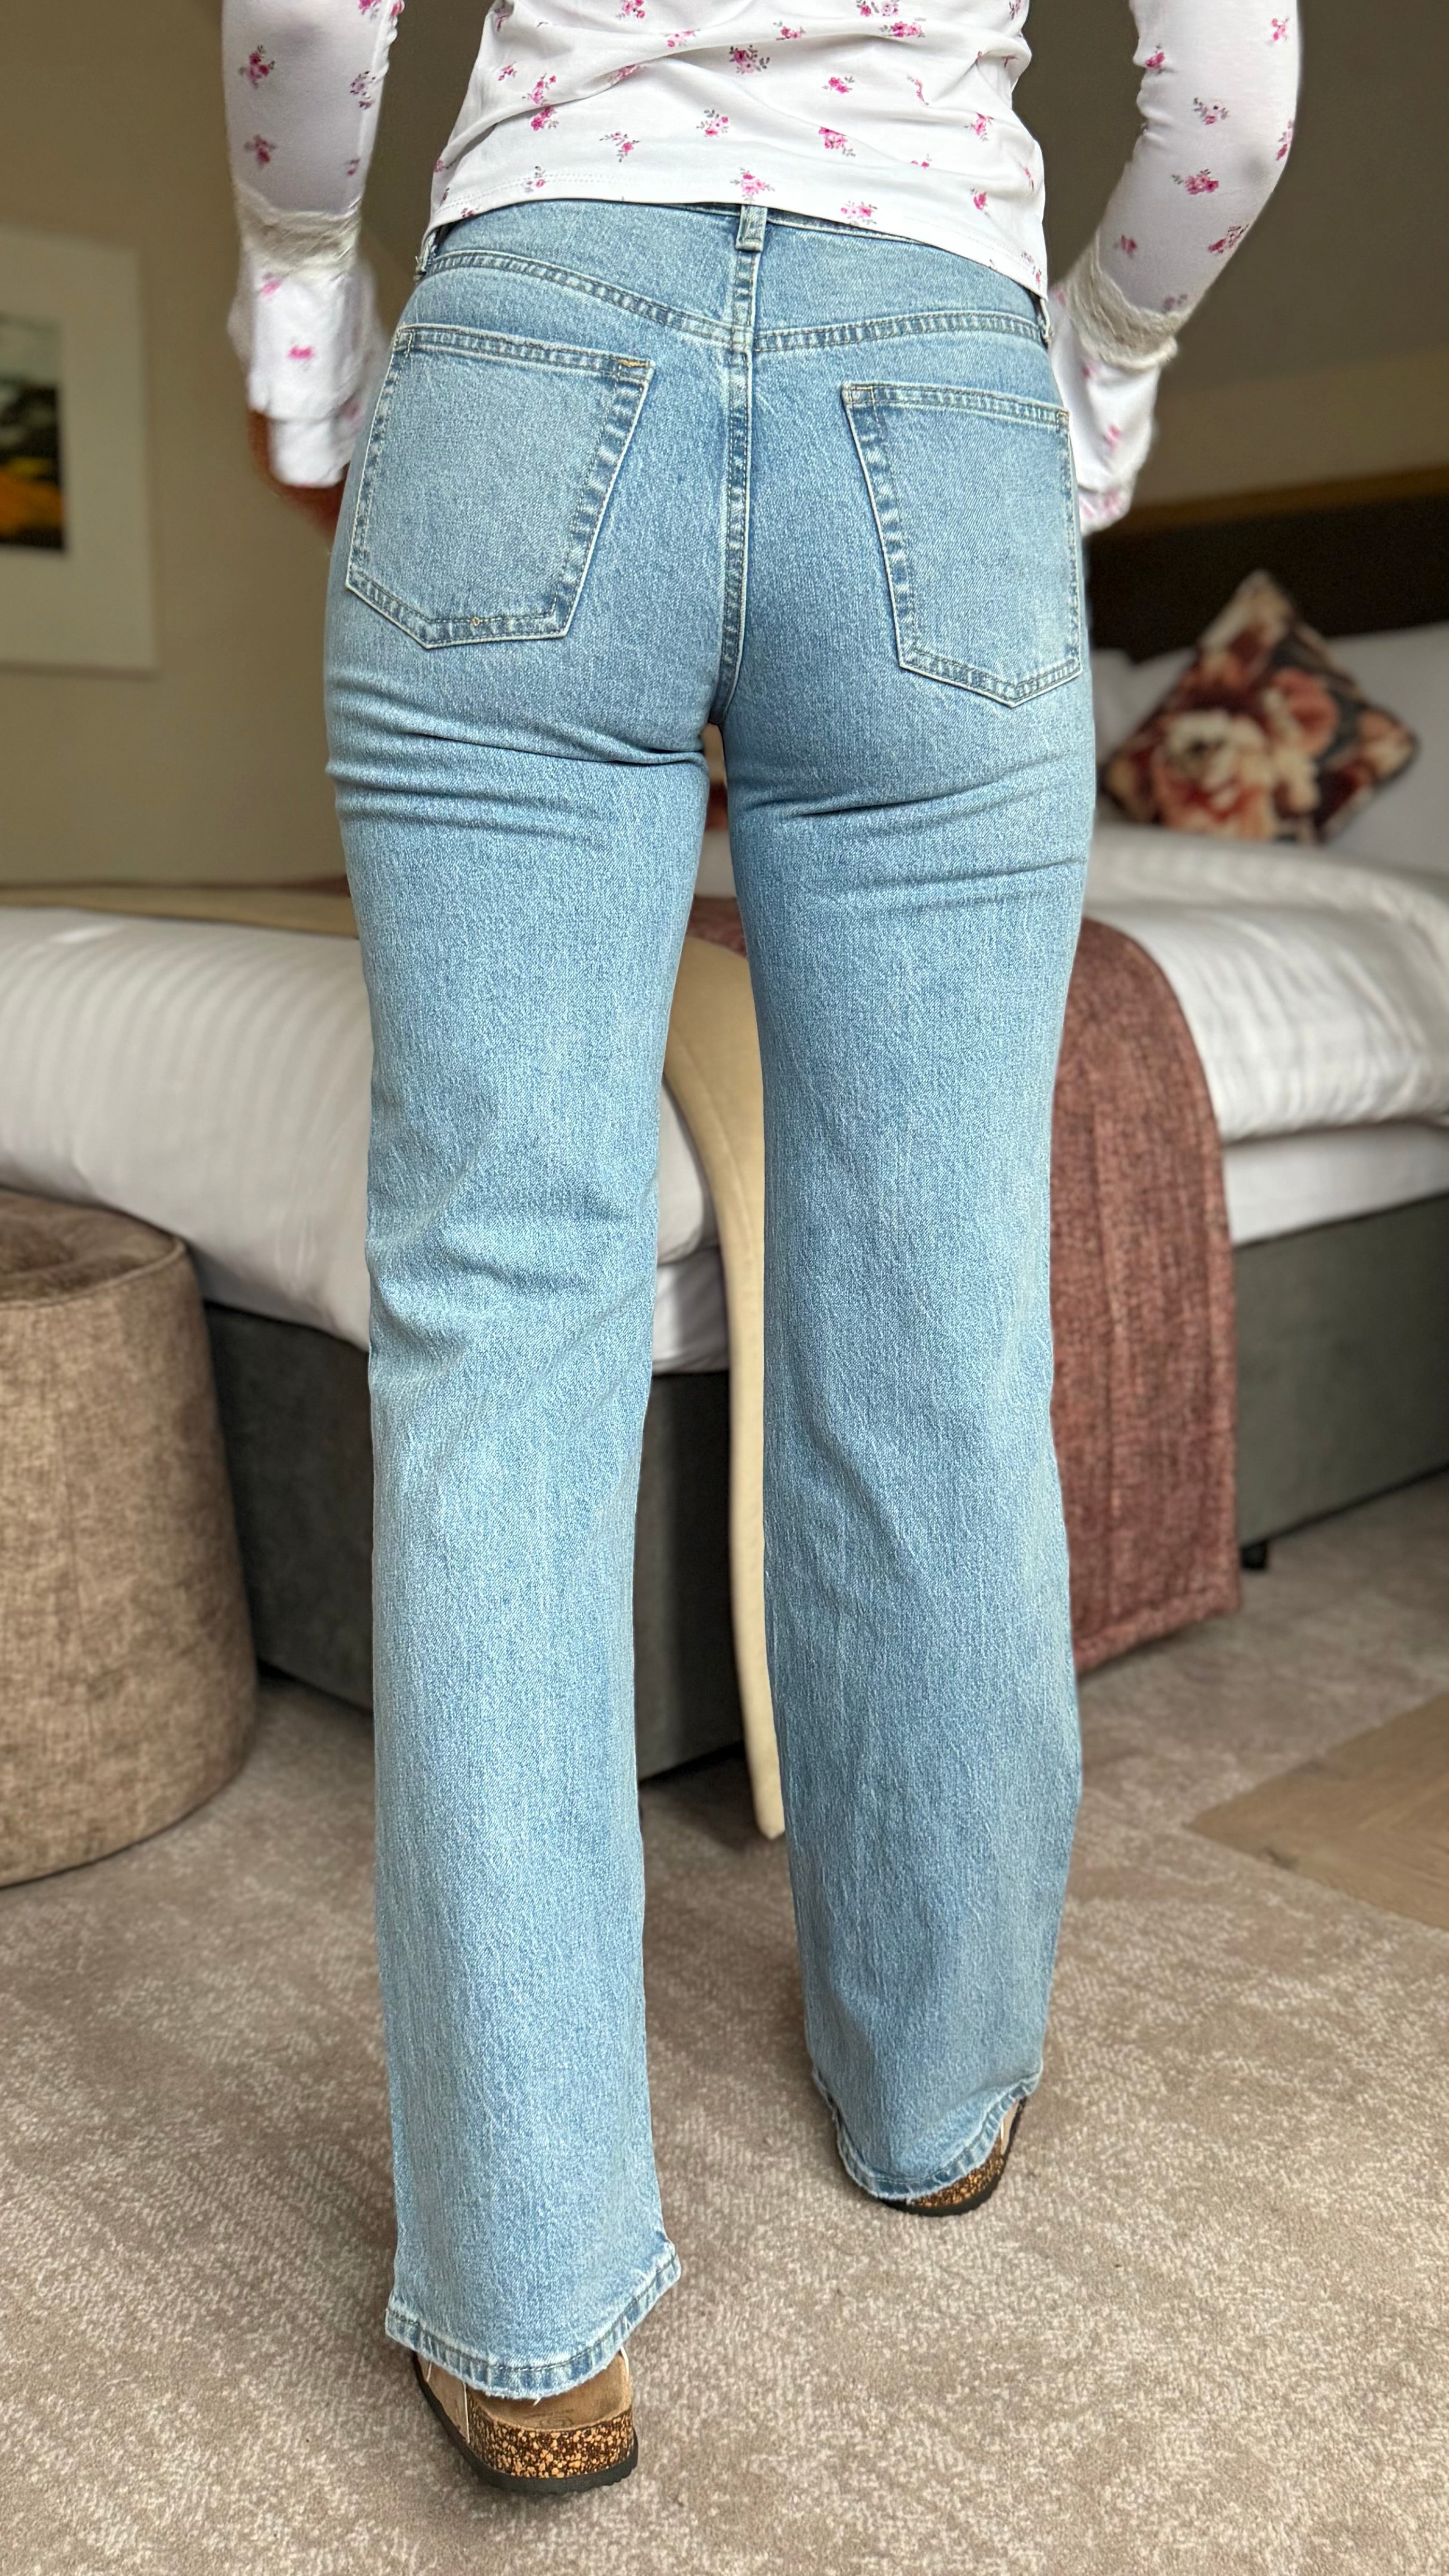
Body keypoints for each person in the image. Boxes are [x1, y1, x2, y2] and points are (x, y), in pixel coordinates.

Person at [223, 0, 1298, 2500]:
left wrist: (301, 276)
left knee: (497, 1314)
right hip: (938, 371)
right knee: (935, 1310)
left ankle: (525, 2304)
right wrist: (1103, 358)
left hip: (529, 332)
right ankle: (935, 2092)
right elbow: (1231, 98)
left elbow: (297, 19)